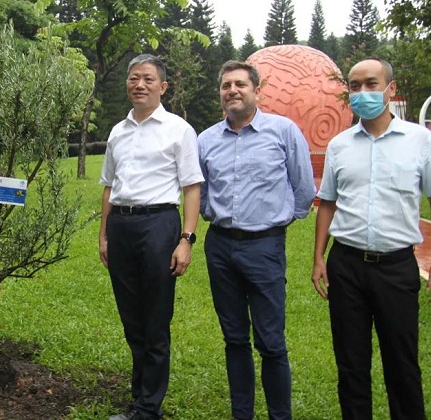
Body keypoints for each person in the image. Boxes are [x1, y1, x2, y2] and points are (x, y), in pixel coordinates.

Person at [311, 57, 431, 420]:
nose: (362, 93)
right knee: (351, 364)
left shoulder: (420, 141)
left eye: (371, 84)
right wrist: (318, 258)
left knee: (402, 364)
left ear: (391, 89)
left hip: (396, 267)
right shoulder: (340, 145)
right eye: (354, 86)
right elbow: (327, 203)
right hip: (346, 266)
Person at [197, 60, 316, 420]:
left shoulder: (283, 131)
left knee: (271, 342)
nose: (232, 90)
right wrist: (210, 212)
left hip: (264, 246)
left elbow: (304, 189)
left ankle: (280, 416)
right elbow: (198, 190)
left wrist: (274, 223)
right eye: (226, 85)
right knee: (234, 338)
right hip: (219, 246)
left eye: (240, 84)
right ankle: (242, 414)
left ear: (256, 90)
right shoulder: (206, 140)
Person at [98, 54, 204, 420]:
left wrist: (186, 239)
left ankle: (148, 408)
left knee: (155, 320)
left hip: (159, 226)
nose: (138, 85)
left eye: (147, 79)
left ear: (163, 86)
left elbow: (192, 188)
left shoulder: (179, 130)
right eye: (133, 78)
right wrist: (104, 236)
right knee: (132, 320)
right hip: (121, 228)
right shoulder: (118, 131)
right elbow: (109, 187)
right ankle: (140, 398)